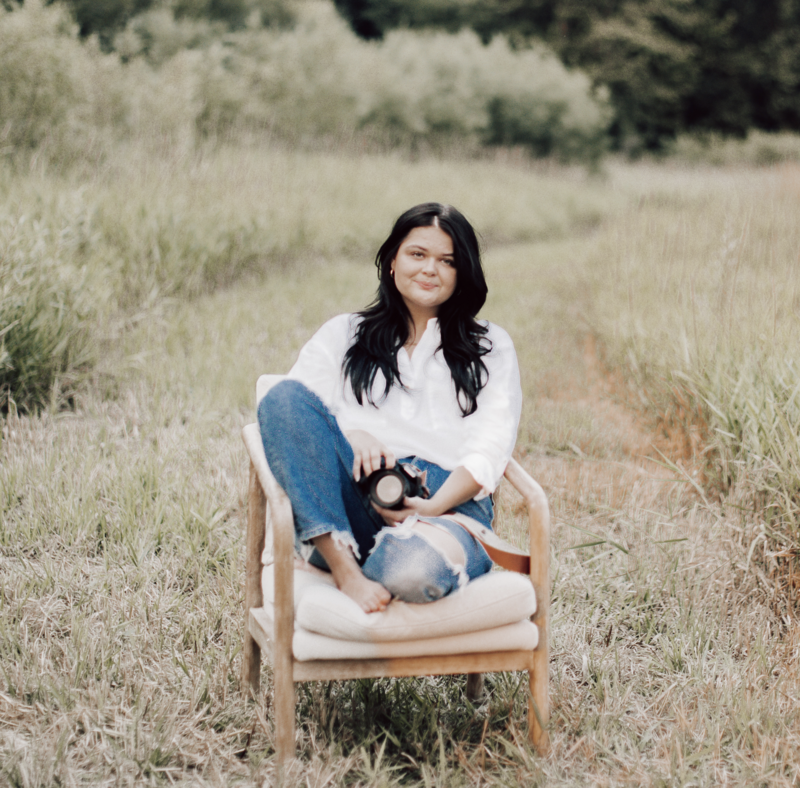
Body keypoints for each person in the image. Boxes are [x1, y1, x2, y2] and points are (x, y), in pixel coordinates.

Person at [258, 203, 521, 614]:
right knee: (281, 398)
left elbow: (492, 444)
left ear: (462, 273)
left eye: (447, 261)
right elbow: (296, 415)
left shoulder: (490, 346)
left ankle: (352, 563)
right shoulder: (345, 333)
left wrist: (434, 505)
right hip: (357, 494)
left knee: (412, 572)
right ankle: (343, 568)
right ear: (392, 262)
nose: (430, 269)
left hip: (447, 504)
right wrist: (353, 433)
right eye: (417, 254)